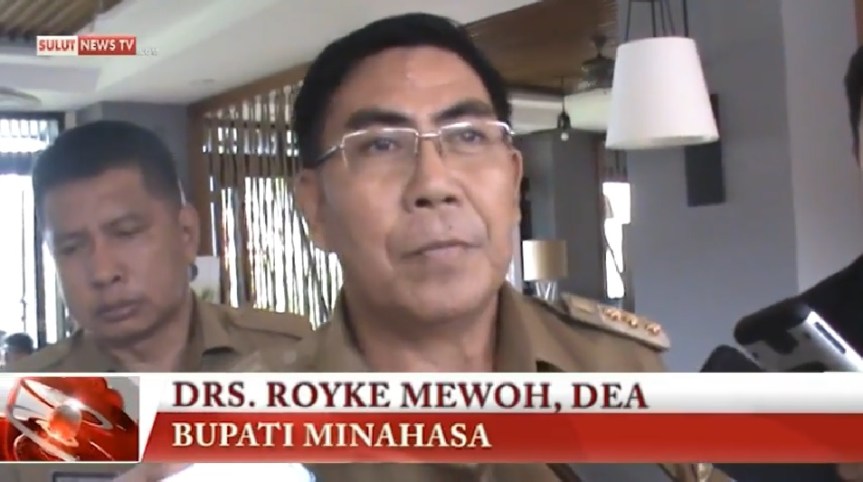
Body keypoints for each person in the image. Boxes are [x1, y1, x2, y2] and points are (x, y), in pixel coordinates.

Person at [122, 13, 725, 482]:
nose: (435, 183)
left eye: (468, 136)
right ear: (315, 207)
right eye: (381, 145)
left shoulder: (617, 365)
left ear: (514, 181)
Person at [2, 120, 312, 481]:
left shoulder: (289, 356)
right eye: (71, 248)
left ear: (186, 234)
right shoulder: (23, 402)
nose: (102, 271)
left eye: (126, 233)